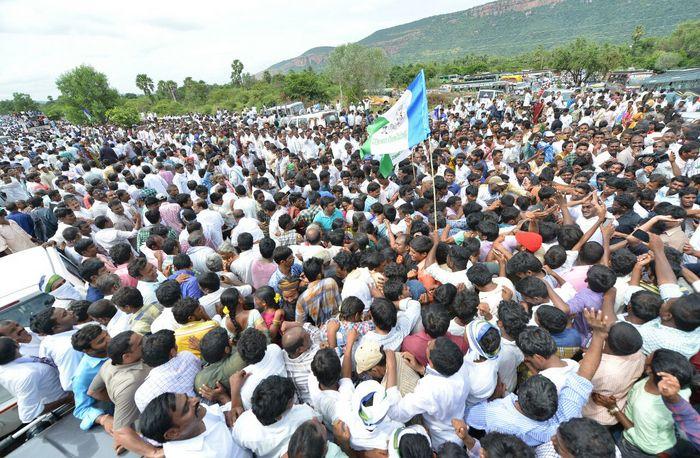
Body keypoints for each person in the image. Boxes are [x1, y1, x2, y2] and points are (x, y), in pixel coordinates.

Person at [0, 336, 70, 423]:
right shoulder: (26, 375)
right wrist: (67, 399)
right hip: (64, 410)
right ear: (16, 345)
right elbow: (28, 414)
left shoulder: (5, 367)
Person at [135, 330, 201, 412]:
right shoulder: (187, 356)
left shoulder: (141, 394)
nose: (177, 346)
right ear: (172, 352)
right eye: (175, 345)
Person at [70, 324, 114, 431]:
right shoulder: (81, 376)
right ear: (88, 350)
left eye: (107, 335)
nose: (109, 339)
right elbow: (81, 410)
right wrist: (103, 419)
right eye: (101, 341)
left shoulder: (118, 344)